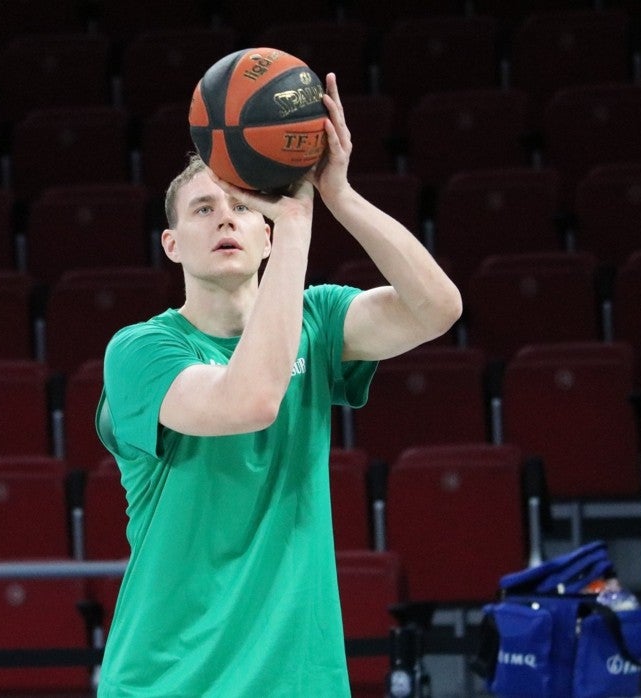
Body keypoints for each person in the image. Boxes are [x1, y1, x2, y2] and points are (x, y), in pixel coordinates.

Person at [95, 72, 462, 696]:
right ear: (172, 244)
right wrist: (295, 228)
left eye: (243, 206)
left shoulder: (317, 320)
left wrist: (339, 195)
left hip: (299, 678)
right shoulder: (140, 352)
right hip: (169, 680)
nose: (225, 220)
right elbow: (251, 398)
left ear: (262, 237)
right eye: (204, 209)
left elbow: (437, 308)